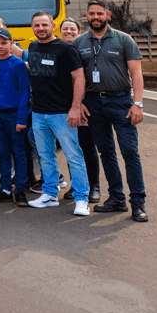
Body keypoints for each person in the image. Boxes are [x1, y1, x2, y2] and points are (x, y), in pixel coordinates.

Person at [74, 0, 148, 222]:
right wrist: (79, 102)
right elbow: (76, 76)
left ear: (107, 15)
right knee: (105, 152)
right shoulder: (78, 43)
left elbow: (136, 74)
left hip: (121, 102)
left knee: (129, 152)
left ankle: (138, 202)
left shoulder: (123, 39)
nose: (95, 17)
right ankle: (116, 198)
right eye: (91, 14)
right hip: (94, 104)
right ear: (86, 16)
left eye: (99, 13)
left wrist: (138, 103)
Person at [27, 12, 90, 216]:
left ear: (52, 25)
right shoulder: (33, 46)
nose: (41, 28)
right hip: (39, 114)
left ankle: (82, 199)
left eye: (44, 24)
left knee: (73, 156)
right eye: (37, 25)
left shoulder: (65, 49)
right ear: (32, 27)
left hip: (62, 113)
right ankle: (50, 194)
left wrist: (75, 107)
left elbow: (79, 78)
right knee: (45, 156)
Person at [0, 27, 31, 207]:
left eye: (4, 43)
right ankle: (5, 188)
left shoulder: (18, 64)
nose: (0, 46)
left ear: (11, 43)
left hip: (14, 115)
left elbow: (24, 93)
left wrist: (21, 118)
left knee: (18, 152)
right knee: (2, 153)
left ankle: (20, 188)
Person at [60, 18, 101, 203]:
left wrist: (81, 102)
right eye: (65, 29)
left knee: (86, 146)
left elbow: (88, 78)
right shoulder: (58, 50)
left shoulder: (85, 52)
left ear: (78, 32)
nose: (68, 32)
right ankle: (76, 185)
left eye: (72, 29)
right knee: (71, 148)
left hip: (85, 106)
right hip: (63, 108)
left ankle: (94, 187)